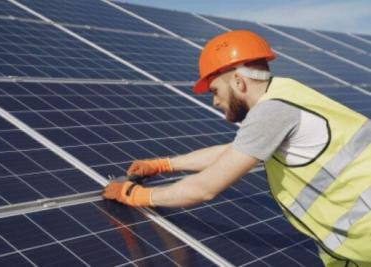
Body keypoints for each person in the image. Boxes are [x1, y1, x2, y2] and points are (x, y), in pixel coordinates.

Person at [103, 30, 371, 267]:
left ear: (239, 83)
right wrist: (164, 164)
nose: (215, 101)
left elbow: (204, 189)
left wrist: (136, 195)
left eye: (215, 90)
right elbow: (232, 152)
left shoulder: (272, 112)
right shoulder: (286, 94)